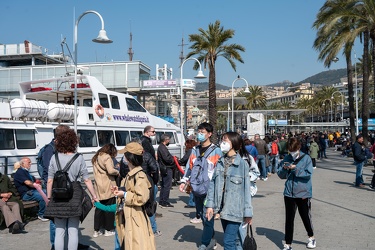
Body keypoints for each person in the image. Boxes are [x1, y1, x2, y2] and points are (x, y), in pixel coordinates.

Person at [46, 128, 98, 250]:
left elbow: (49, 180)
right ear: (74, 142)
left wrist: (48, 197)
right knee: (73, 230)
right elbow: (86, 179)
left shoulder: (54, 157)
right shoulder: (78, 158)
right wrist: (94, 196)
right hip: (74, 195)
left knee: (59, 230)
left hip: (58, 196)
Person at [179, 122, 222, 250]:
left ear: (209, 134)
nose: (200, 134)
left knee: (207, 216)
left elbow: (219, 171)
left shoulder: (217, 151)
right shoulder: (195, 150)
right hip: (196, 189)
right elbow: (189, 167)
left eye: (203, 132)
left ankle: (205, 243)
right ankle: (211, 238)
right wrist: (183, 182)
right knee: (202, 215)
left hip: (210, 189)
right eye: (199, 132)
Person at [206, 132, 253, 249]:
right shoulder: (220, 162)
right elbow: (212, 184)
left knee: (228, 241)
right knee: (234, 240)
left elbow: (247, 190)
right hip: (221, 208)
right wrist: (210, 205)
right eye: (222, 140)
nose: (222, 143)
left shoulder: (242, 164)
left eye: (225, 141)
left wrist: (248, 213)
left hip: (235, 209)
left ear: (234, 143)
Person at [114, 142, 156, 250]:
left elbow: (141, 198)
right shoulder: (131, 173)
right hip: (129, 215)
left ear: (129, 157)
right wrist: (119, 190)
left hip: (136, 216)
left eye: (124, 155)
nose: (123, 158)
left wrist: (124, 194)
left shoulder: (139, 175)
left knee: (137, 244)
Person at [277, 137, 316, 250]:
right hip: (289, 193)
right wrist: (284, 169)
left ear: (298, 147)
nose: (292, 152)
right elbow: (280, 175)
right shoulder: (287, 158)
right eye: (290, 150)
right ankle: (288, 244)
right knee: (289, 219)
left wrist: (295, 168)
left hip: (303, 193)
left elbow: (308, 174)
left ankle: (311, 237)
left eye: (293, 150)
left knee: (305, 216)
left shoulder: (306, 158)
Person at [92, 143, 120, 237]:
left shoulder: (96, 156)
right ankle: (108, 229)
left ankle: (97, 230)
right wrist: (117, 172)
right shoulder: (107, 157)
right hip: (108, 184)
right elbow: (110, 170)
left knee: (99, 208)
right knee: (110, 207)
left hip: (98, 185)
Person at [13, 157, 48, 222]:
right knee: (42, 196)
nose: (30, 164)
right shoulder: (19, 172)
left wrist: (38, 182)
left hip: (32, 191)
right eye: (29, 162)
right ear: (23, 164)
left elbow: (33, 180)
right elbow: (27, 182)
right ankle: (41, 214)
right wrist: (36, 186)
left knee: (47, 192)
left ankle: (48, 211)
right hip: (26, 194)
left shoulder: (26, 171)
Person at [157, 134, 176, 208]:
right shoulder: (162, 147)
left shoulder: (162, 147)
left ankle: (162, 200)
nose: (169, 141)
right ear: (166, 140)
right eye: (169, 139)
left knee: (164, 185)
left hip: (165, 168)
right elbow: (167, 159)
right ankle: (164, 201)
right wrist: (173, 160)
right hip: (166, 168)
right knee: (167, 186)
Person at [178, 139, 198, 210]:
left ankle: (191, 202)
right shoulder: (195, 150)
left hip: (192, 171)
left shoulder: (191, 151)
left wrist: (178, 162)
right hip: (195, 171)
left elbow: (186, 159)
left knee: (191, 187)